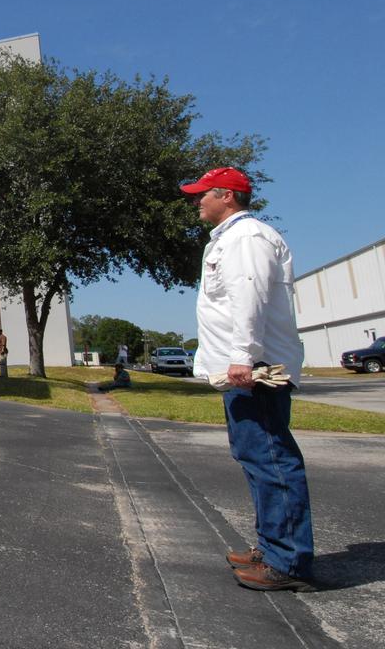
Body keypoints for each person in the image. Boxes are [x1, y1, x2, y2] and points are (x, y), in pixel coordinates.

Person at [181, 166, 313, 592]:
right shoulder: (230, 238)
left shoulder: (246, 237)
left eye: (203, 194)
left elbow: (249, 296)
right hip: (241, 370)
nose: (197, 201)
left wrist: (242, 357)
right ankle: (271, 546)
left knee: (271, 457)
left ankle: (288, 561)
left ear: (227, 196)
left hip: (254, 371)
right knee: (255, 456)